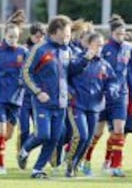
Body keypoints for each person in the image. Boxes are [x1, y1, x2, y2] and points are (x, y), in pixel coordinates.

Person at [18, 15, 94, 179]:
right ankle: (24, 150)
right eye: (66, 33)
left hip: (61, 103)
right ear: (56, 31)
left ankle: (37, 169)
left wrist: (85, 59)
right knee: (43, 134)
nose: (69, 36)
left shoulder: (67, 50)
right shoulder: (40, 49)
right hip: (42, 102)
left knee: (54, 138)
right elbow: (25, 73)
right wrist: (38, 92)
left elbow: (71, 70)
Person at [83, 14, 132, 177]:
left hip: (121, 94)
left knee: (119, 129)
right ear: (111, 33)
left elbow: (129, 71)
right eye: (118, 34)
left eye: (123, 34)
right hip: (102, 95)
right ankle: (86, 159)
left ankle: (116, 166)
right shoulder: (104, 48)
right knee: (97, 132)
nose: (121, 37)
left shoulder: (128, 47)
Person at [65, 32, 119, 177]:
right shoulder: (77, 59)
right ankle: (69, 164)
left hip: (95, 107)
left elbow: (113, 81)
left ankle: (76, 165)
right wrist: (85, 59)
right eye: (97, 44)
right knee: (81, 135)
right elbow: (68, 74)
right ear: (89, 45)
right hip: (77, 104)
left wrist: (111, 90)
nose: (99, 48)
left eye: (101, 45)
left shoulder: (104, 64)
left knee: (89, 139)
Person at [0, 10, 28, 175]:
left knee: (8, 135)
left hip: (16, 99)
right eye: (10, 37)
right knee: (1, 132)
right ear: (4, 35)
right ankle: (1, 165)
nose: (13, 40)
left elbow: (30, 71)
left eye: (16, 38)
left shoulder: (23, 52)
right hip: (1, 98)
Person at [18, 21, 46, 160]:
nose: (39, 39)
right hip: (24, 96)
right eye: (36, 36)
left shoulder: (47, 52)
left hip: (40, 97)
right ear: (31, 36)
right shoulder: (24, 51)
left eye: (42, 36)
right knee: (24, 129)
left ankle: (25, 149)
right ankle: (23, 154)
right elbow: (21, 72)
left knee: (40, 131)